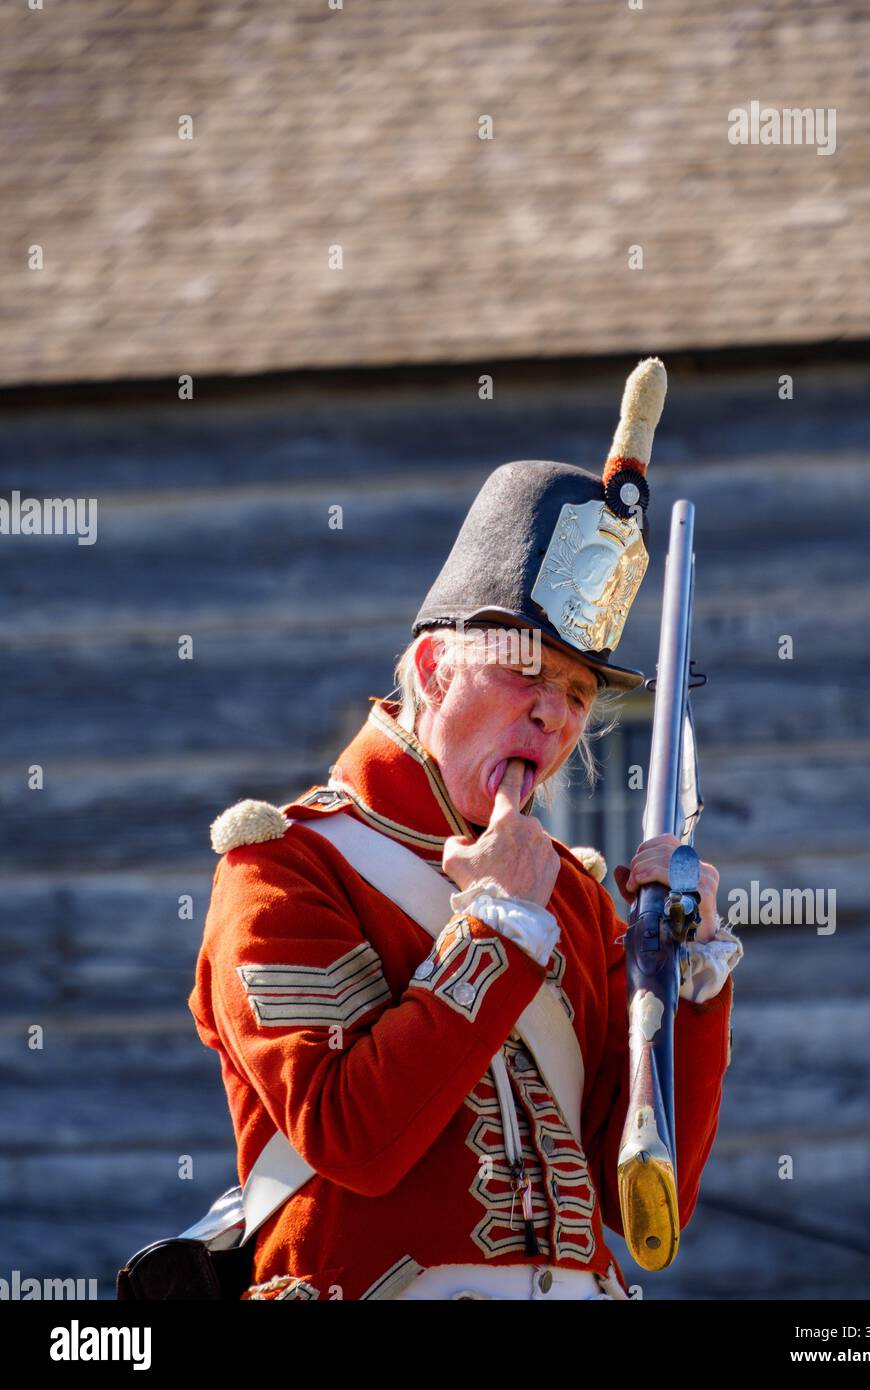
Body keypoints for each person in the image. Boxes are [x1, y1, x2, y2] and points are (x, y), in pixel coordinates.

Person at [189, 358, 743, 1301]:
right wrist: (496, 931)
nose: (554, 716)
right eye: (524, 671)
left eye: (576, 694)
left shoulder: (571, 891)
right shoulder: (284, 865)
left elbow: (647, 1208)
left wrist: (677, 982)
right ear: (436, 666)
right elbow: (352, 1138)